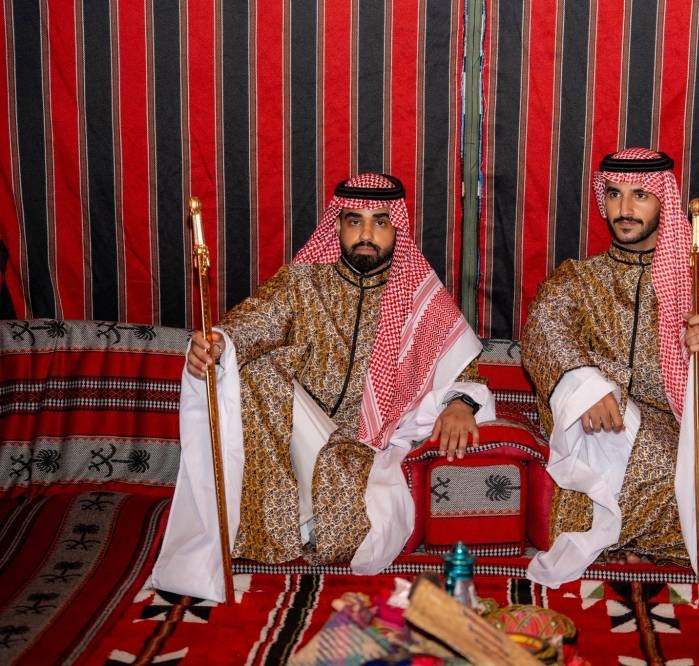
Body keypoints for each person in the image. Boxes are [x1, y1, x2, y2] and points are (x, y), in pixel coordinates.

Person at [152, 172, 494, 602]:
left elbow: (465, 368)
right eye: (354, 221)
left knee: (351, 526)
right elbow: (254, 322)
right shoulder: (302, 283)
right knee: (255, 369)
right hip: (298, 439)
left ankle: (311, 516)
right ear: (337, 226)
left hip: (368, 449)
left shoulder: (420, 297)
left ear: (397, 228)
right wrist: (218, 343)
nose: (366, 234)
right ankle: (284, 520)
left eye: (380, 222)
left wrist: (460, 403)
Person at [522, 147, 699, 609]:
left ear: (664, 202)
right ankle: (634, 545)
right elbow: (544, 328)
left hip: (674, 425)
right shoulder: (580, 279)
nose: (624, 208)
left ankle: (629, 544)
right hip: (598, 423)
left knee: (695, 485)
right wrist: (586, 386)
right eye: (614, 194)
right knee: (636, 462)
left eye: (640, 195)